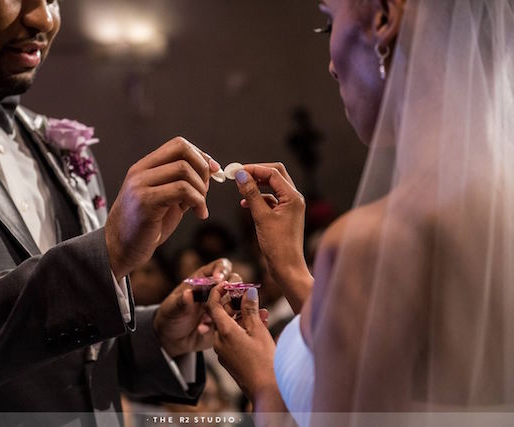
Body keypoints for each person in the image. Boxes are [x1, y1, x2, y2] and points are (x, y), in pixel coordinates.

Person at [0, 0, 235, 424]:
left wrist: (158, 337)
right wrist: (106, 255)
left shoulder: (53, 142)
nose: (43, 18)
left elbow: (51, 353)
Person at [208, 0, 514, 425]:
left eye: (328, 22)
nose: (332, 66)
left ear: (385, 17)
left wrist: (265, 387)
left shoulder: (377, 246)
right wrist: (291, 268)